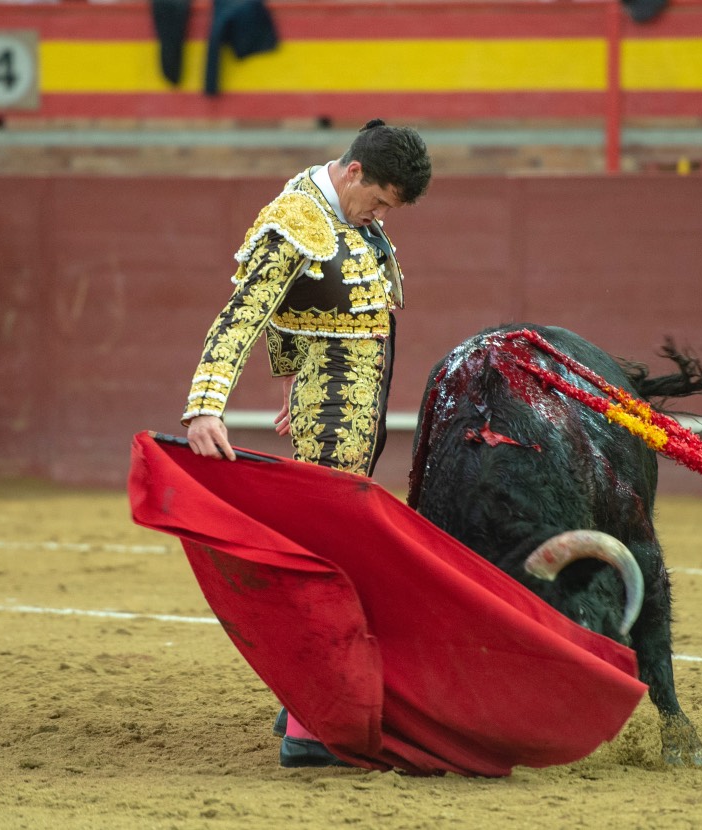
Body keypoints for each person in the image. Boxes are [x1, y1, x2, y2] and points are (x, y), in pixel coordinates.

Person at [181, 119, 432, 767]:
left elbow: (307, 312)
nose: (380, 216)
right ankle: (308, 724)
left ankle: (303, 696)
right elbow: (244, 313)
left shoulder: (339, 210)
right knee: (331, 554)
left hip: (352, 405)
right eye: (378, 202)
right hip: (334, 412)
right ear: (353, 173)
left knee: (336, 546)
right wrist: (206, 408)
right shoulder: (295, 217)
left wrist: (294, 377)